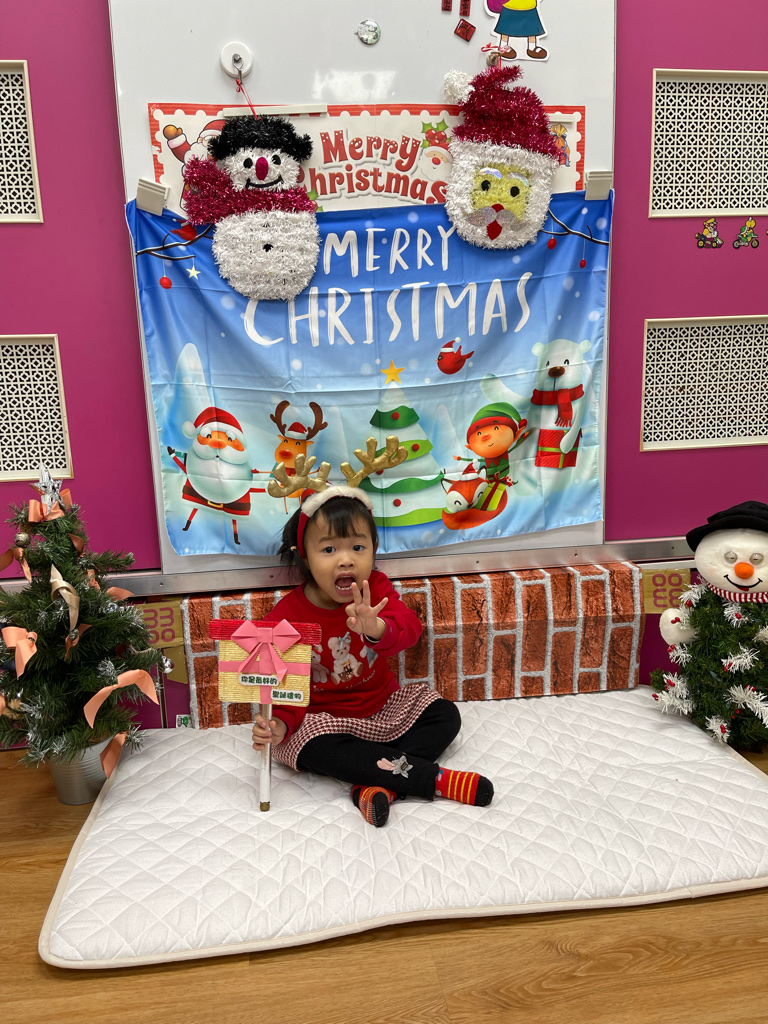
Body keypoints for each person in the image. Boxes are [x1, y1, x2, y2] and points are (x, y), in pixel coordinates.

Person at [251, 484, 494, 827]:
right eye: (329, 549)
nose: (345, 559)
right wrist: (279, 724)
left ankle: (373, 785)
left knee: (445, 715)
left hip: (381, 708)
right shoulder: (286, 617)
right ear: (304, 555)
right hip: (323, 721)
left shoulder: (376, 588)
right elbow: (284, 688)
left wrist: (376, 627)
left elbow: (409, 629)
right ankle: (434, 780)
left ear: (373, 550)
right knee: (304, 746)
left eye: (358, 547)